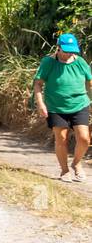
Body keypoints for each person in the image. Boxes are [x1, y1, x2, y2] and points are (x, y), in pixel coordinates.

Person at [33, 33, 92, 183]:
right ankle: (65, 170)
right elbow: (38, 84)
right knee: (62, 138)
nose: (69, 53)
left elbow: (90, 83)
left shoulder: (80, 63)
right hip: (55, 106)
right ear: (58, 48)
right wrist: (40, 103)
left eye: (72, 50)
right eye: (66, 50)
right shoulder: (48, 62)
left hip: (80, 104)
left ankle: (77, 163)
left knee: (84, 138)